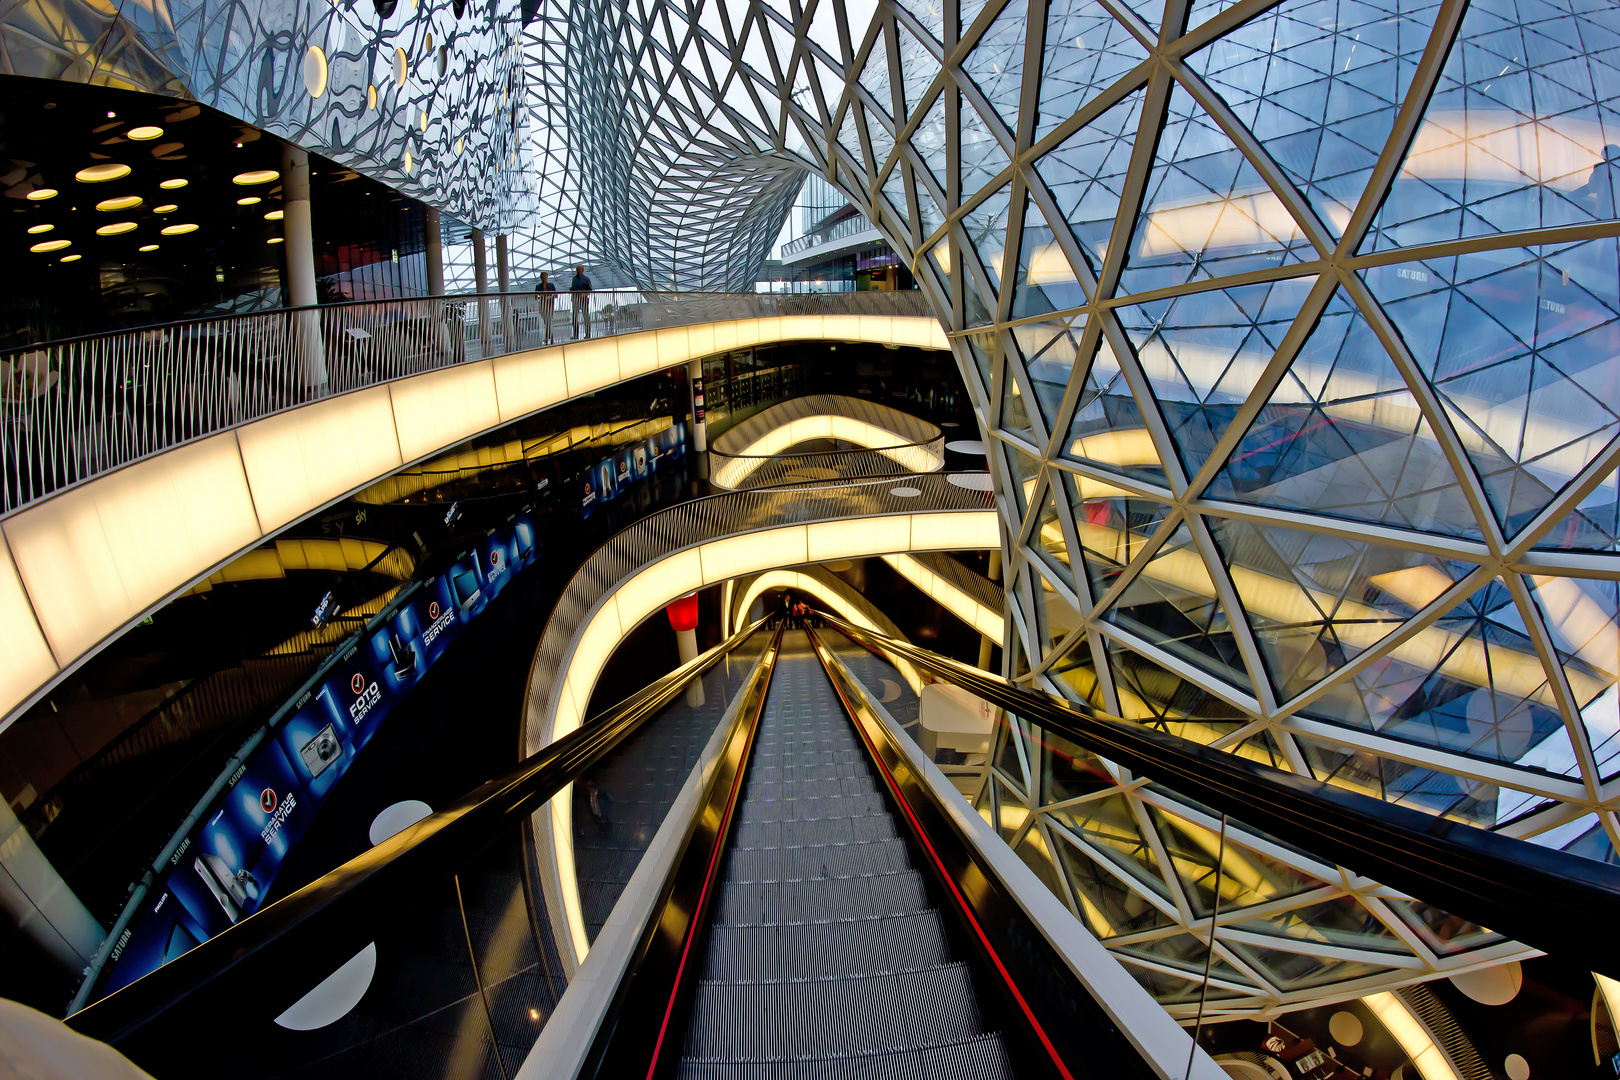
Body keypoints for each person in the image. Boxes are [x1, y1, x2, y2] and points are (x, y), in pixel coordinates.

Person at [570, 264, 593, 340]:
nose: (578, 271)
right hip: (575, 300)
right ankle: (575, 335)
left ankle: (588, 334)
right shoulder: (574, 279)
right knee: (574, 317)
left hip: (583, 300)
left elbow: (590, 290)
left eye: (579, 269)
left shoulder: (586, 279)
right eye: (577, 269)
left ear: (583, 270)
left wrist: (584, 294)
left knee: (586, 317)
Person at [535, 272, 558, 345]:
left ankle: (550, 337)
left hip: (550, 305)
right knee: (547, 322)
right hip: (543, 306)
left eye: (545, 275)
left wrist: (550, 297)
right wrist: (539, 297)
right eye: (542, 276)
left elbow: (556, 294)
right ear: (540, 277)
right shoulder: (538, 286)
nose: (544, 277)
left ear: (547, 276)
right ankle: (549, 337)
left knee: (548, 321)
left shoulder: (551, 285)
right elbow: (535, 296)